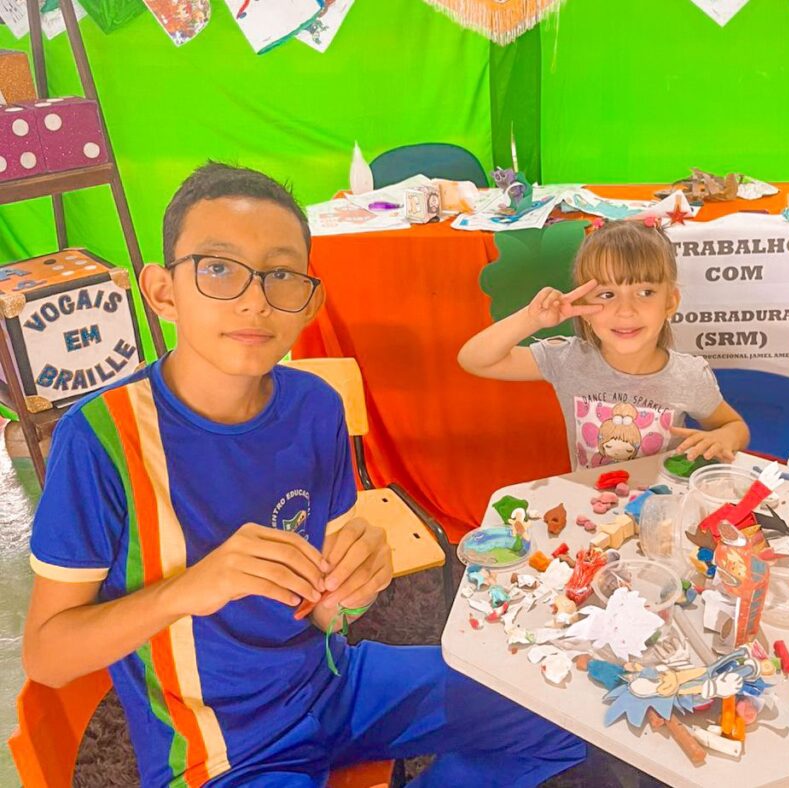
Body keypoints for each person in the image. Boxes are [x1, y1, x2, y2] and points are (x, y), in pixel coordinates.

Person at [22, 162, 586, 786]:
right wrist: (187, 590)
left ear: (310, 303)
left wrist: (352, 590)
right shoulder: (100, 439)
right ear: (162, 293)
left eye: (282, 275)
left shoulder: (315, 406)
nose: (255, 300)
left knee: (563, 713)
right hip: (224, 750)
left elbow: (326, 611)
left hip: (334, 685)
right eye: (218, 268)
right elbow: (47, 656)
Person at [459, 220, 749, 469]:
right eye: (607, 294)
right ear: (584, 307)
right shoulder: (569, 359)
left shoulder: (689, 376)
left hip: (659, 508)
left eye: (645, 292)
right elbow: (474, 359)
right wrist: (532, 319)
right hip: (590, 507)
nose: (626, 310)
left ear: (670, 302)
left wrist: (724, 437)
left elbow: (736, 428)